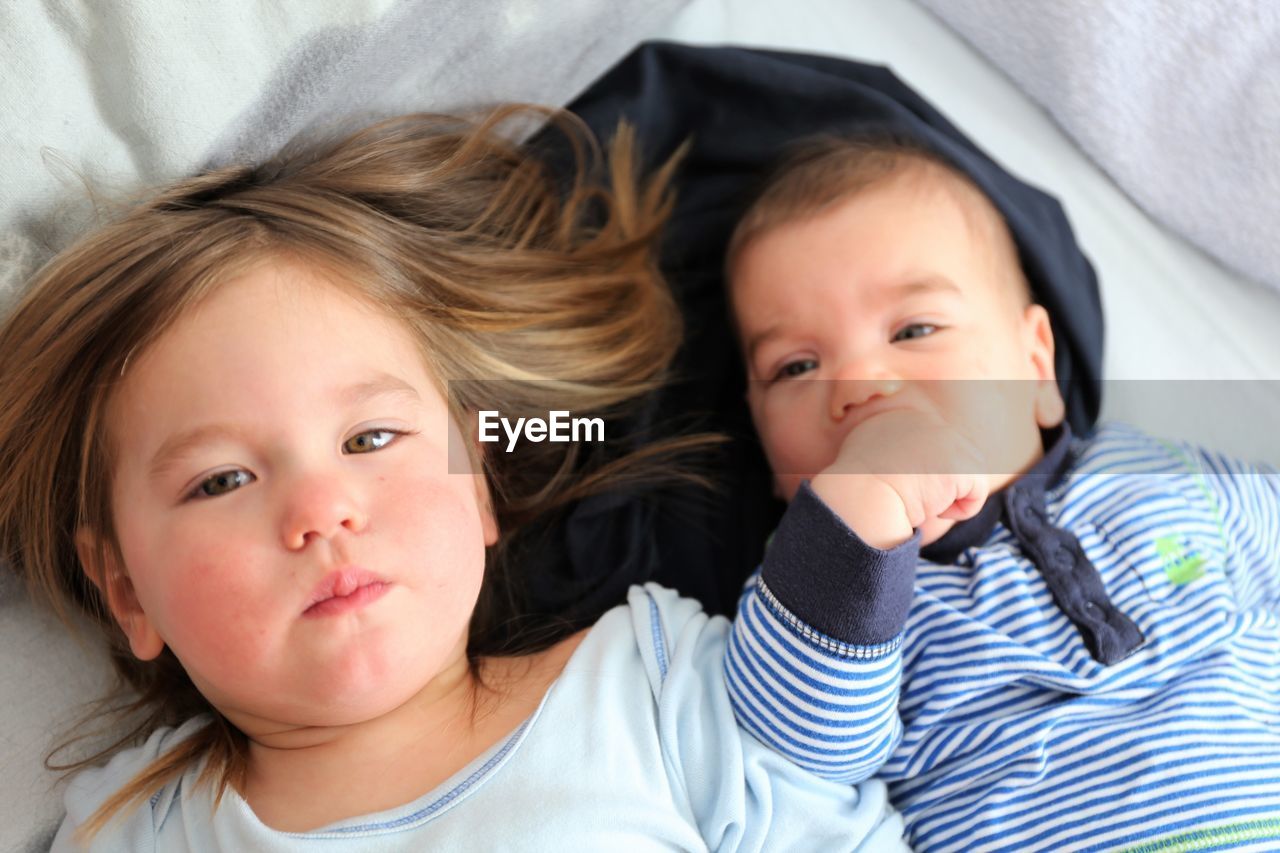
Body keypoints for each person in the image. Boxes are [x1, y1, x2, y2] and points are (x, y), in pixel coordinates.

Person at [0, 111, 908, 851]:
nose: (322, 511)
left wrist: (856, 527)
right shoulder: (133, 832)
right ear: (126, 588)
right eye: (223, 479)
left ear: (477, 484)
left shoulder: (640, 689)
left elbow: (822, 771)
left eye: (371, 436)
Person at [720, 134, 1280, 852]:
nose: (858, 383)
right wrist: (857, 515)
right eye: (797, 366)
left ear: (1036, 367)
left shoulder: (1157, 473)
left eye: (914, 328)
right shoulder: (809, 596)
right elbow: (791, 753)